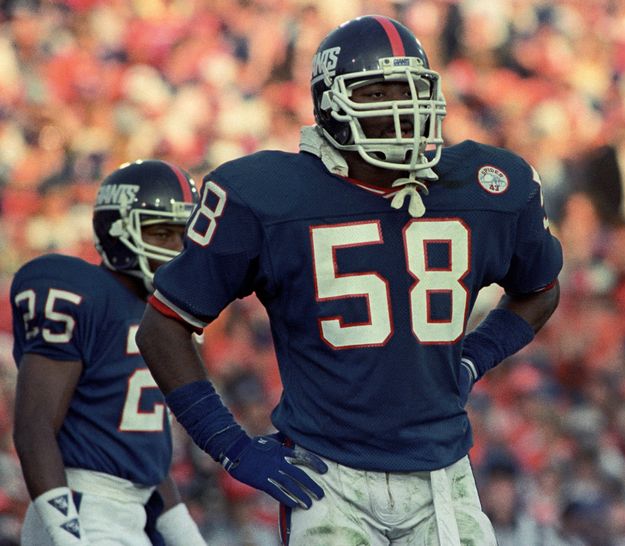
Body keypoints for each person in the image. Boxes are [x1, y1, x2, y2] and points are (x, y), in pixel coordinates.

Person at [136, 15, 562, 546]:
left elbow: (540, 290)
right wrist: (229, 443)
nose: (402, 110)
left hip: (441, 472)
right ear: (331, 107)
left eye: (411, 91)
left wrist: (474, 356)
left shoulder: (488, 185)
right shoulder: (267, 195)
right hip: (325, 475)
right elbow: (164, 325)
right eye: (378, 93)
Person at [10, 160, 207, 546]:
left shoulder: (161, 316)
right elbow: (34, 428)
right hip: (81, 504)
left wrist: (183, 533)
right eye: (162, 233)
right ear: (118, 232)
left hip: (131, 511)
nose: (175, 248)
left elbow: (144, 452)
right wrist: (67, 534)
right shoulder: (82, 293)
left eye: (182, 236)